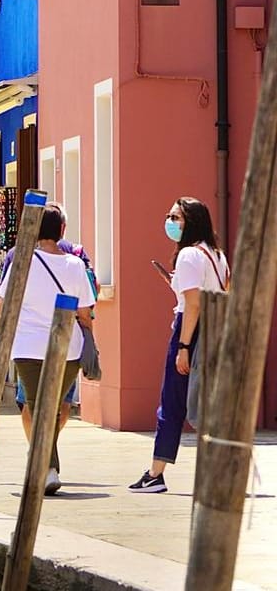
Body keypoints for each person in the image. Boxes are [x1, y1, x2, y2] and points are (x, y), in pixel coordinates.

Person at [130, 197, 231, 494]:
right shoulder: (216, 254)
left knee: (172, 403)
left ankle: (155, 474)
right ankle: (219, 471)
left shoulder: (188, 254)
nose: (170, 222)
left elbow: (194, 304)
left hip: (192, 330)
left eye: (175, 217)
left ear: (191, 222)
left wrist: (184, 345)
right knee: (206, 402)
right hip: (214, 331)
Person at [0, 204, 94, 495]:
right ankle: (46, 467)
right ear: (62, 230)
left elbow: (4, 304)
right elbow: (85, 311)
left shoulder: (21, 262)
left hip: (27, 346)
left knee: (39, 406)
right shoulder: (76, 265)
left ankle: (43, 465)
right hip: (67, 347)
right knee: (49, 407)